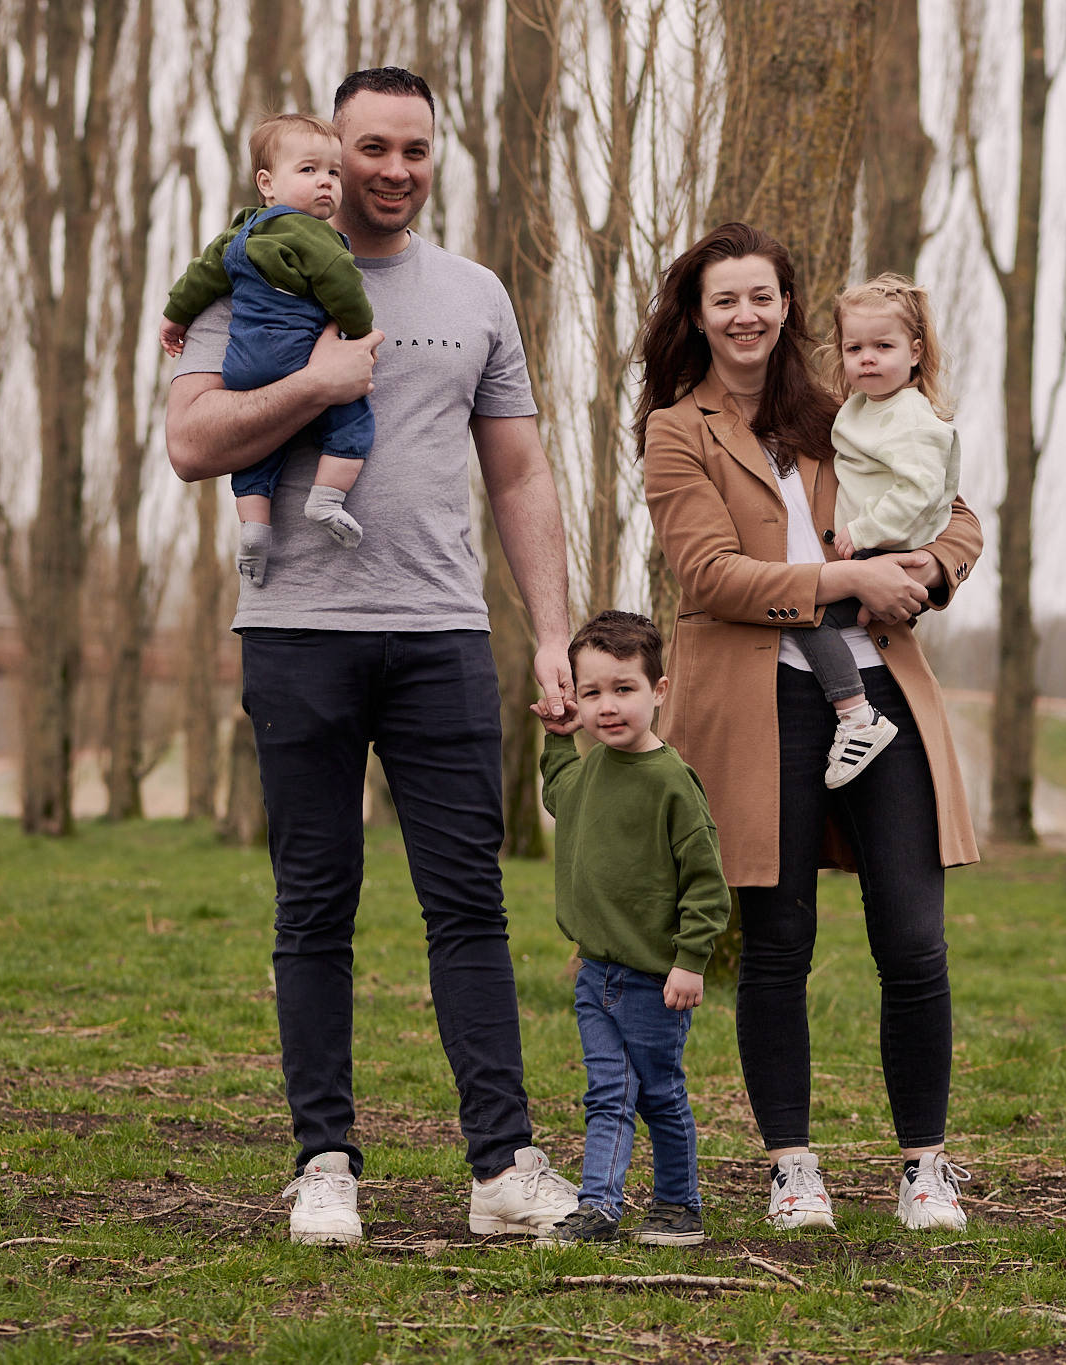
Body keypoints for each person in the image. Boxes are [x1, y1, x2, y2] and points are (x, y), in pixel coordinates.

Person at [162, 67, 581, 1246]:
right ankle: (325, 1162)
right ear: (326, 157)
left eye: (414, 148)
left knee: (470, 905)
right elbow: (190, 442)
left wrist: (550, 630)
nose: (392, 169)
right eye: (369, 149)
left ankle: (502, 1167)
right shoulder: (246, 269)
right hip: (297, 632)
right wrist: (313, 383)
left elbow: (519, 472)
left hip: (443, 634)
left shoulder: (476, 293)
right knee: (315, 905)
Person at [637, 223, 983, 1234]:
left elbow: (954, 513)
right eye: (723, 300)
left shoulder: (843, 411)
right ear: (697, 317)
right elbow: (709, 576)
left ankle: (925, 1166)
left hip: (882, 693)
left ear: (786, 306)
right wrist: (844, 578)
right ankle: (792, 1166)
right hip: (758, 707)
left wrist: (924, 571)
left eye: (762, 296)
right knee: (779, 942)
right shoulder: (676, 431)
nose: (745, 315)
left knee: (913, 942)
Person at [529, 611, 727, 1246]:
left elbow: (706, 883)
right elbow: (560, 791)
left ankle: (678, 1206)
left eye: (624, 689)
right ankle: (600, 1207)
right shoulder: (590, 769)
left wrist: (692, 961)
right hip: (595, 973)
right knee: (607, 1092)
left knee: (660, 1095)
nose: (607, 707)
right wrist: (560, 737)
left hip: (655, 980)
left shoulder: (672, 782)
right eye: (591, 694)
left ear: (658, 691)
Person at [161, 113, 377, 587]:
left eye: (334, 173)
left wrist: (174, 318)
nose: (326, 182)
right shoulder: (314, 236)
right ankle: (326, 498)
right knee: (352, 421)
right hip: (295, 352)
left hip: (242, 365)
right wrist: (357, 330)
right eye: (309, 171)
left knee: (258, 450)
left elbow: (201, 277)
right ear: (267, 183)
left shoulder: (239, 233)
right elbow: (342, 286)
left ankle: (255, 527)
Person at [780, 273, 962, 789]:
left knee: (807, 610)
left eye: (884, 346)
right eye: (855, 347)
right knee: (822, 609)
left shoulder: (910, 416)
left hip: (887, 551)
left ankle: (858, 716)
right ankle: (857, 709)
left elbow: (921, 491)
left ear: (915, 351)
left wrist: (861, 530)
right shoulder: (861, 408)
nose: (868, 358)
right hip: (871, 556)